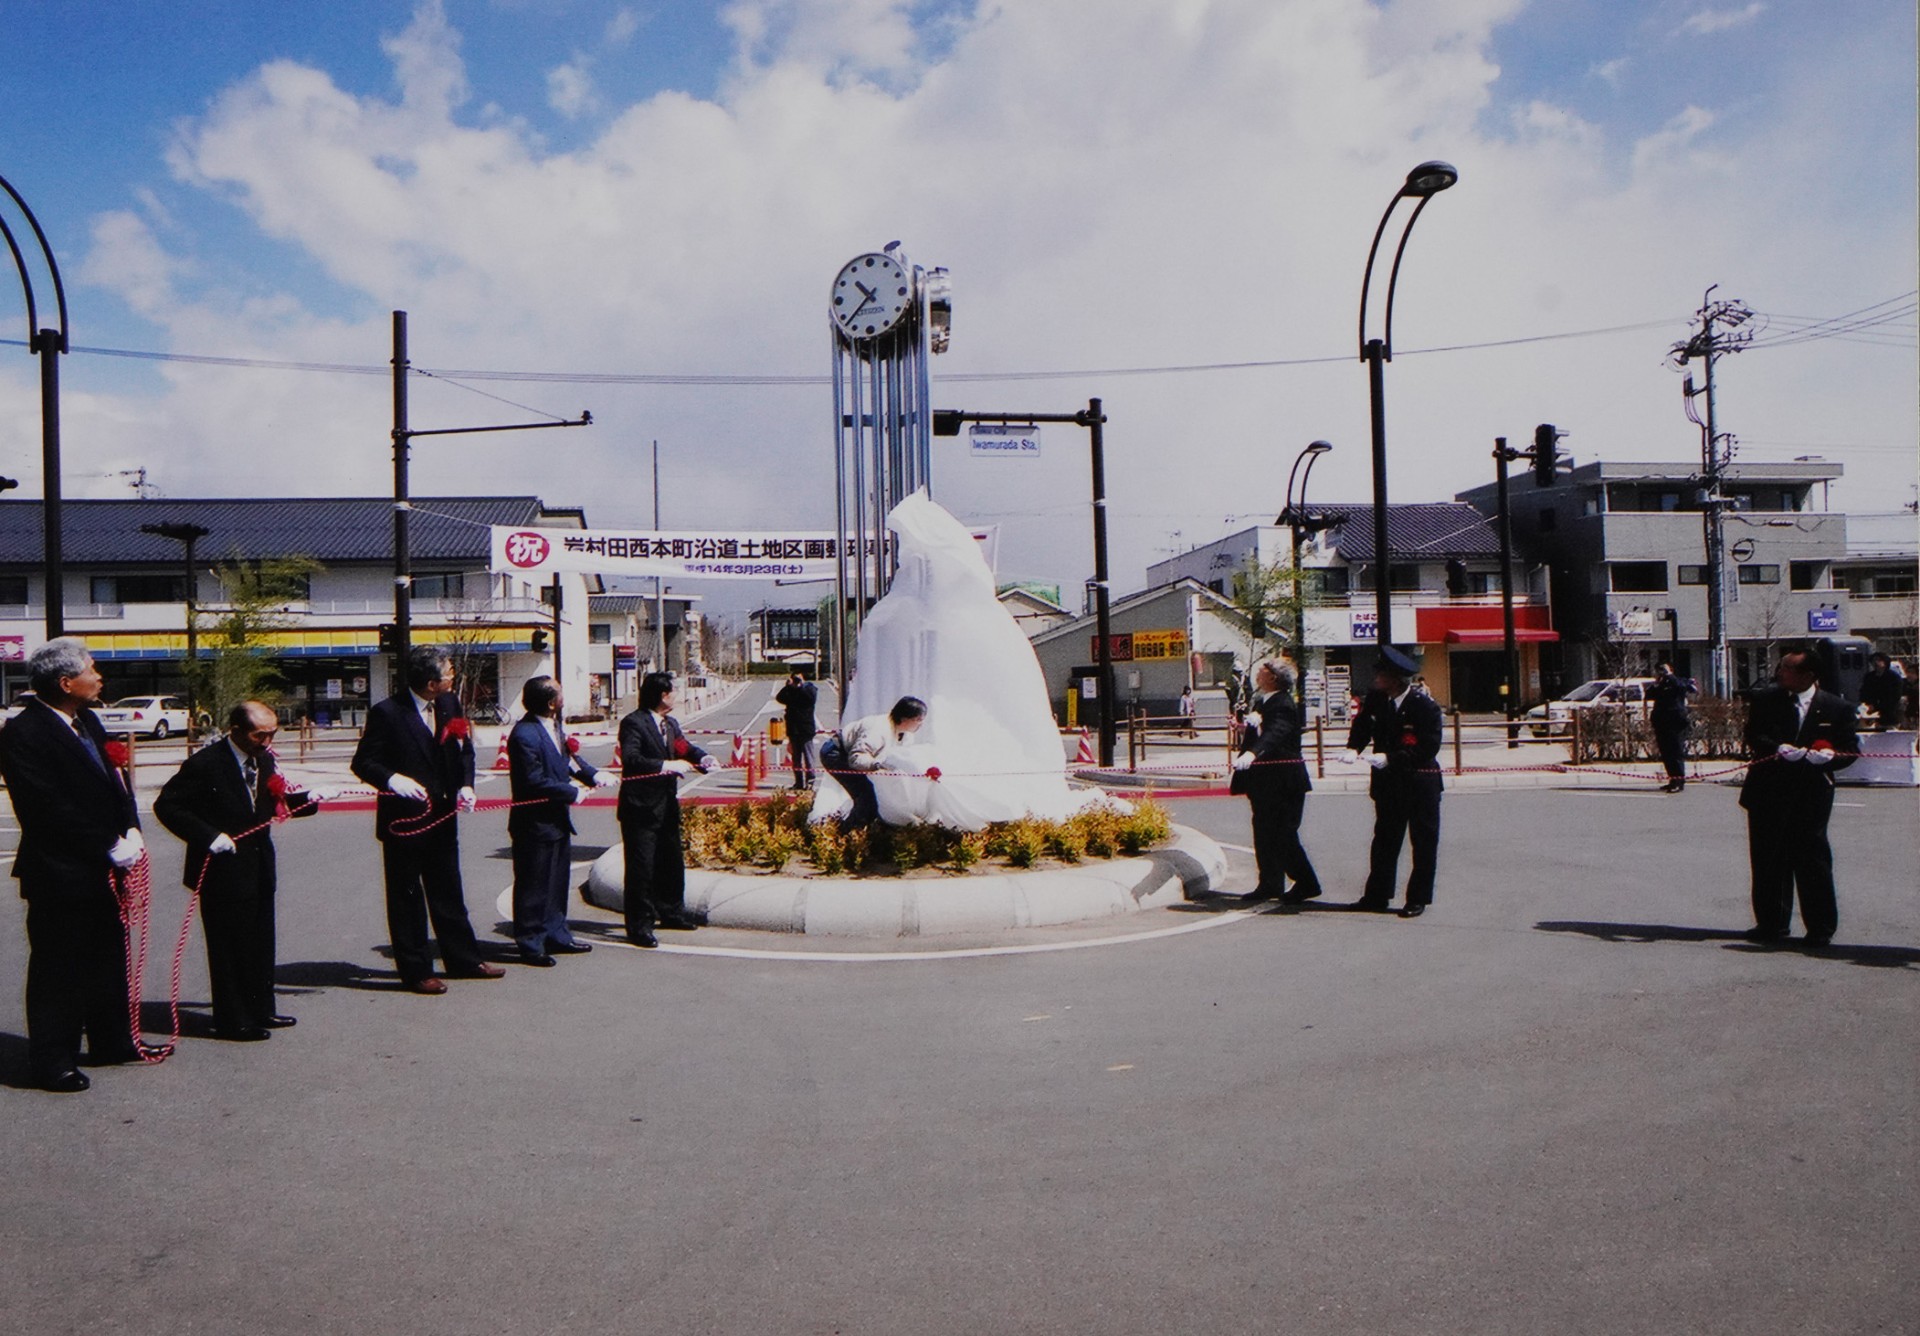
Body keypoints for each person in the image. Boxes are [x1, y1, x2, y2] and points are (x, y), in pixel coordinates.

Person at [0, 639, 146, 1091]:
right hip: (59, 870)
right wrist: (106, 842)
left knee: (107, 957)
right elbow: (46, 807)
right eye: (92, 670)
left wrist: (131, 826)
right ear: (66, 682)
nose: (99, 677)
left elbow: (114, 783)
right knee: (59, 968)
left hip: (105, 867)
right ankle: (52, 1059)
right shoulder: (24, 734)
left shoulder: (89, 721)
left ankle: (110, 1039)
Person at [154, 701, 324, 1040]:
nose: (266, 741)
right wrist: (208, 836)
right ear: (236, 731)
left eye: (272, 734)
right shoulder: (206, 764)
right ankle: (233, 1019)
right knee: (229, 947)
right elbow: (167, 806)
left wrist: (311, 798)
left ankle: (262, 1009)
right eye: (259, 735)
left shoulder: (265, 759)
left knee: (260, 941)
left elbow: (273, 805)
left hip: (258, 864)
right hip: (221, 868)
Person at [350, 646, 502, 994]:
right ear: (432, 683)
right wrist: (392, 779)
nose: (453, 679)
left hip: (444, 815)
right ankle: (416, 969)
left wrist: (466, 785)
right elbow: (363, 763)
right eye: (449, 674)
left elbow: (463, 748)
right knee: (407, 898)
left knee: (449, 890)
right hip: (404, 821)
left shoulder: (449, 705)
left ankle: (464, 958)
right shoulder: (388, 713)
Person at [1739, 645, 1858, 947]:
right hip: (1768, 791)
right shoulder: (1767, 699)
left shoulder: (1836, 707)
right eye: (1781, 667)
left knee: (1812, 859)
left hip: (1810, 794)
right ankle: (1772, 923)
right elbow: (1754, 734)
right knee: (1768, 858)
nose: (1780, 673)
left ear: (1809, 675)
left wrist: (1830, 757)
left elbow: (1850, 749)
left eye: (1787, 669)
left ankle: (1820, 927)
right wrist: (1775, 748)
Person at [506, 676, 616, 966]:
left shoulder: (554, 725)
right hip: (534, 823)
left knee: (556, 881)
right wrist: (570, 792)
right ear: (551, 701)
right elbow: (532, 780)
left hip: (556, 820)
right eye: (560, 691)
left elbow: (566, 761)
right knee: (533, 885)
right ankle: (531, 943)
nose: (563, 694)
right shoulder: (524, 734)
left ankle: (557, 934)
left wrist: (592, 775)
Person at [1343, 646, 1444, 918]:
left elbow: (1427, 748)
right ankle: (1376, 895)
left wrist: (1391, 758)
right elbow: (1363, 726)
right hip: (1388, 785)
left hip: (1419, 784)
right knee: (1384, 841)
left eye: (1381, 674)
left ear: (1396, 679)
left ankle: (1417, 898)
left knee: (1423, 843)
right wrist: (1354, 748)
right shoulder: (1377, 699)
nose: (1376, 678)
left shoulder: (1424, 707)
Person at [616, 672, 713, 947]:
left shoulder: (669, 724)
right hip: (640, 807)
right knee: (641, 868)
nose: (676, 695)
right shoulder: (634, 723)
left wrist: (702, 757)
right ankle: (639, 925)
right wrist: (665, 766)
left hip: (666, 803)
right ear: (662, 695)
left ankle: (671, 911)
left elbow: (684, 747)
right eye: (673, 691)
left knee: (671, 861)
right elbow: (632, 759)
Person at [1230, 660, 1322, 904]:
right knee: (1263, 833)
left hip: (1284, 782)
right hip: (1263, 782)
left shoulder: (1283, 704)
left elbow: (1276, 733)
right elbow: (1263, 731)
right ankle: (1270, 883)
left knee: (1283, 834)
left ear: (1274, 678)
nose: (1258, 672)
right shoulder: (1263, 701)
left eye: (1264, 670)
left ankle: (1306, 882)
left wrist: (1253, 753)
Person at [821, 696, 928, 833]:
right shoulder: (878, 730)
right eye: (918, 720)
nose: (921, 725)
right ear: (904, 719)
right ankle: (846, 837)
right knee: (866, 797)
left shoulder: (904, 733)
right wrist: (878, 765)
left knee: (879, 796)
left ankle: (867, 832)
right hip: (836, 754)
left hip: (855, 755)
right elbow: (856, 758)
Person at [1648, 662, 1698, 792]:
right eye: (1659, 670)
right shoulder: (1660, 684)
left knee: (1676, 751)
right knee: (1666, 752)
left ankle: (1679, 781)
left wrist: (1669, 675)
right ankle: (1672, 778)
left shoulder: (1678, 682)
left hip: (1675, 722)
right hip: (1661, 722)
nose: (1661, 672)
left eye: (1663, 669)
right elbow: (1649, 694)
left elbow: (1681, 687)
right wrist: (1657, 682)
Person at [775, 669, 819, 791]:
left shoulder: (810, 689)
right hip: (793, 729)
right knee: (796, 759)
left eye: (798, 679)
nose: (796, 681)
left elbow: (811, 698)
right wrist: (788, 687)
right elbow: (779, 698)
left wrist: (802, 686)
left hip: (806, 729)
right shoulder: (791, 692)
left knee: (808, 757)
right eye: (794, 679)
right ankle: (798, 782)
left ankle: (810, 781)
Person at [1859, 652, 1906, 730]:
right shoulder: (1869, 677)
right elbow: (1864, 692)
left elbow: (1894, 696)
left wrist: (1880, 707)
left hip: (1889, 712)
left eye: (1879, 660)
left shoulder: (1893, 677)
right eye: (1874, 660)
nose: (1876, 662)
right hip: (1871, 712)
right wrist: (1868, 704)